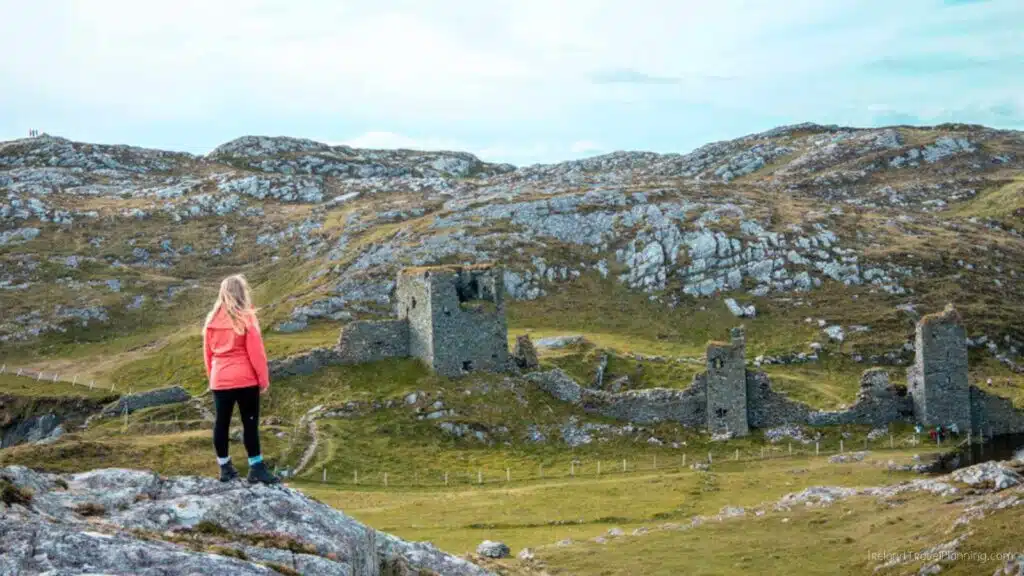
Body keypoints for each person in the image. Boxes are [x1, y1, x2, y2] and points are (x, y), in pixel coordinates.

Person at [203, 274, 280, 485]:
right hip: (245, 378)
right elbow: (257, 353)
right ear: (242, 292)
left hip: (220, 378)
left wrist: (213, 377)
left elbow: (207, 354)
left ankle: (224, 466)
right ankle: (256, 467)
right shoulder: (246, 317)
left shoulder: (211, 320)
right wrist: (262, 379)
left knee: (221, 423)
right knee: (250, 423)